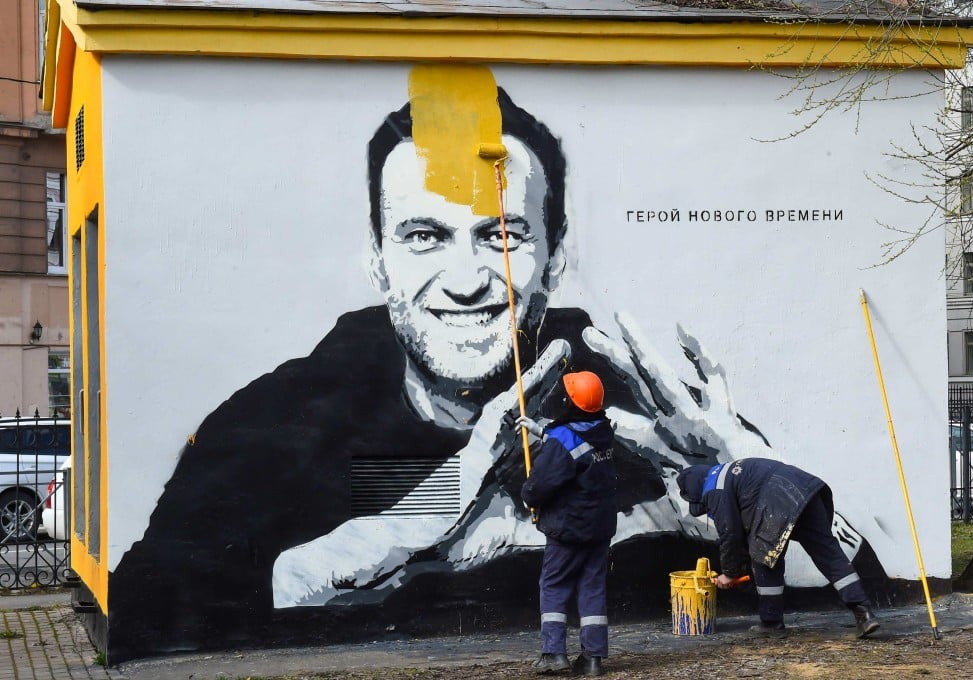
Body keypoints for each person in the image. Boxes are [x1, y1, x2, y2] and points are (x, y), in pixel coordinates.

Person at [107, 65, 881, 658]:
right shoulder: (278, 419)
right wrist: (409, 522)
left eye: (502, 235)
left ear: (553, 259)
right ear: (377, 263)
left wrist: (742, 465)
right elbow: (149, 608)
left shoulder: (645, 404)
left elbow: (847, 565)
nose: (470, 277)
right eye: (422, 236)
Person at [677, 458, 880, 639]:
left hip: (776, 498)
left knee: (764, 560)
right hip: (807, 489)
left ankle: (772, 622)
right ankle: (864, 613)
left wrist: (730, 573)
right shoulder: (730, 472)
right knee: (828, 553)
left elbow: (731, 533)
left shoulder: (713, 489)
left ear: (695, 489)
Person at [517, 371, 616, 676]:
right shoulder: (604, 429)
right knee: (592, 587)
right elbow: (577, 448)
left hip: (568, 528)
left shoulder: (564, 438)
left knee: (554, 585)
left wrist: (528, 495)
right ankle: (593, 659)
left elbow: (544, 480)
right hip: (599, 527)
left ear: (571, 400)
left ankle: (553, 654)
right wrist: (543, 433)